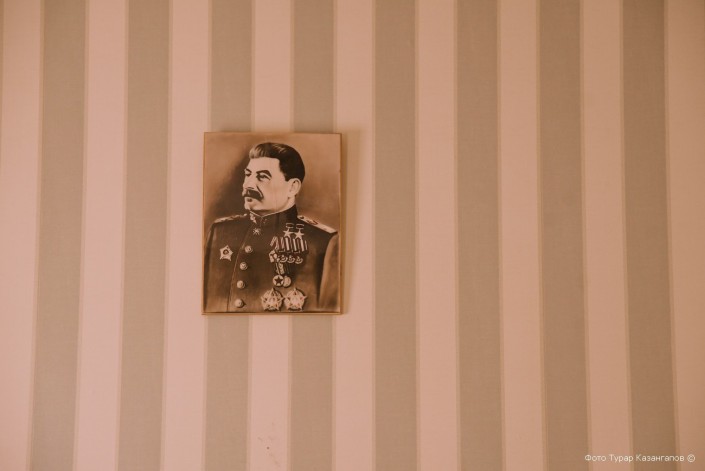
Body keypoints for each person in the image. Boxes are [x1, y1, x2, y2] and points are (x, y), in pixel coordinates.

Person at [203, 142, 339, 313]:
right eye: (248, 175)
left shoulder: (323, 241)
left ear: (292, 187)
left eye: (262, 177)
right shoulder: (220, 232)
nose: (248, 185)